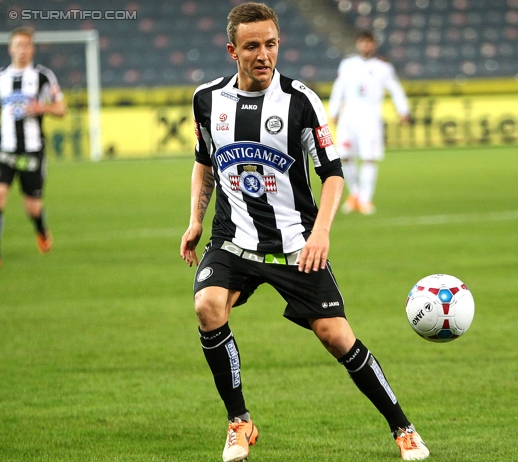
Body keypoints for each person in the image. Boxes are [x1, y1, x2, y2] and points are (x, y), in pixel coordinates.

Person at [180, 3, 429, 461]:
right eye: (252, 46)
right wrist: (196, 218)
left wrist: (322, 233)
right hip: (233, 239)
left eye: (271, 44)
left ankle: (403, 427)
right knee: (207, 306)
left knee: (337, 336)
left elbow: (333, 173)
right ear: (232, 49)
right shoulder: (206, 100)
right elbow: (204, 160)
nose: (263, 54)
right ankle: (239, 422)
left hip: (297, 244)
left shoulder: (300, 100)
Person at [0, 27, 67, 267]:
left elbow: (61, 108)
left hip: (32, 151)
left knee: (33, 208)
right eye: (17, 45)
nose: (22, 50)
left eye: (26, 46)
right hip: (4, 150)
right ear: (10, 49)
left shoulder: (43, 76)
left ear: (32, 49)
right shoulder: (1, 78)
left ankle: (40, 228)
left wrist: (43, 108)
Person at [328, 30, 410, 215]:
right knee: (345, 156)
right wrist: (333, 110)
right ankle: (355, 194)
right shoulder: (348, 64)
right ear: (358, 44)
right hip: (348, 117)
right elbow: (338, 88)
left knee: (369, 157)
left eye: (369, 42)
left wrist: (403, 110)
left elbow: (395, 89)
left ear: (374, 45)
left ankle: (365, 198)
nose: (366, 45)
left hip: (370, 119)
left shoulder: (383, 67)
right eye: (363, 42)